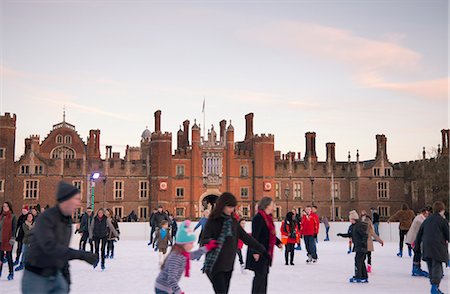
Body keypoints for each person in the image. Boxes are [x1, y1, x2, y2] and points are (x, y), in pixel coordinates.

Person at [22, 181, 98, 293]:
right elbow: (50, 247)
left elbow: (62, 251)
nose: (78, 204)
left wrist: (66, 280)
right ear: (66, 199)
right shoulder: (46, 218)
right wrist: (82, 255)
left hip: (56, 274)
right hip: (37, 276)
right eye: (76, 199)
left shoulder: (67, 222)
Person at [201, 192, 267, 294]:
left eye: (233, 207)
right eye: (229, 206)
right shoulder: (213, 221)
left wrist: (261, 249)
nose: (231, 209)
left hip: (228, 265)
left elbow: (246, 238)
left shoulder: (233, 222)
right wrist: (213, 242)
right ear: (222, 205)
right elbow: (204, 240)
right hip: (215, 265)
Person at [155, 220, 218, 294]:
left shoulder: (182, 253)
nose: (192, 245)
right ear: (183, 244)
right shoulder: (176, 257)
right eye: (190, 243)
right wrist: (179, 292)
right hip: (163, 288)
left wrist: (207, 247)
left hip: (169, 288)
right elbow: (171, 279)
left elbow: (194, 255)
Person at [246, 197, 282, 294]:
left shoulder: (268, 218)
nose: (274, 206)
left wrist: (277, 242)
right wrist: (255, 252)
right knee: (260, 277)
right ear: (267, 205)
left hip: (265, 252)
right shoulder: (258, 218)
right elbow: (255, 236)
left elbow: (269, 234)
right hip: (259, 252)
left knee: (263, 276)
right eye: (272, 204)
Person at [414, 201, 449, 294]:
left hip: (426, 246)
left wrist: (417, 247)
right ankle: (434, 287)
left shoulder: (427, 220)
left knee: (431, 266)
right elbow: (448, 235)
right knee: (437, 267)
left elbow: (419, 234)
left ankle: (435, 287)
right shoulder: (442, 221)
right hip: (437, 246)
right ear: (442, 210)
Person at [337, 210, 369, 283]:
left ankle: (358, 276)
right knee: (361, 261)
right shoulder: (353, 226)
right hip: (358, 246)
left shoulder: (359, 226)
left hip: (361, 247)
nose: (349, 220)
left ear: (354, 219)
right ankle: (364, 276)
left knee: (358, 261)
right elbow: (350, 235)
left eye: (350, 219)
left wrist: (363, 243)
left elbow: (365, 235)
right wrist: (342, 234)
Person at [406, 206, 432, 277]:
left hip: (413, 240)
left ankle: (416, 268)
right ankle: (416, 269)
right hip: (413, 240)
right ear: (424, 212)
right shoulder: (420, 219)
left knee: (417, 253)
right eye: (427, 213)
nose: (428, 215)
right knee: (417, 253)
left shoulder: (420, 218)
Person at [0, 201, 17, 280]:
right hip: (0, 239)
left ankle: (11, 273)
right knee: (0, 258)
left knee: (9, 257)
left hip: (8, 240)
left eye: (6, 206)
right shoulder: (0, 216)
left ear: (9, 207)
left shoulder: (13, 216)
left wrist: (13, 238)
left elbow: (14, 228)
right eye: (4, 206)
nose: (5, 207)